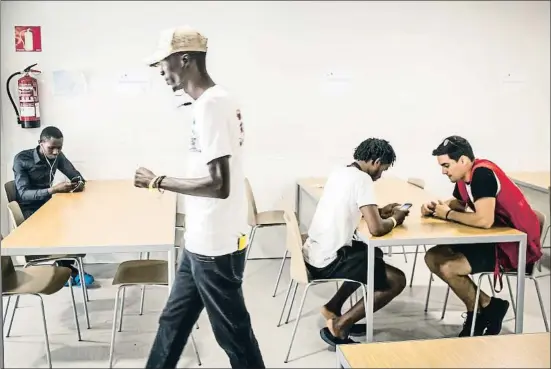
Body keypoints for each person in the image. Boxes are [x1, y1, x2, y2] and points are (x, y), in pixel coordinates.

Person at [135, 26, 264, 369]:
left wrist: (157, 182)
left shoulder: (212, 105)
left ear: (185, 58)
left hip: (215, 245)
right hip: (201, 240)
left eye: (164, 64)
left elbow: (219, 184)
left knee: (234, 336)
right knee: (172, 324)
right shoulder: (213, 102)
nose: (162, 73)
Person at [423, 135, 542, 337]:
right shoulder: (464, 176)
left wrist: (448, 214)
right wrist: (437, 207)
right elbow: (459, 202)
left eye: (446, 165)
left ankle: (478, 314)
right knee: (432, 257)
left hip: (515, 246)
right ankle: (487, 306)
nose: (443, 171)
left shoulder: (482, 175)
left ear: (463, 160)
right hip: (495, 238)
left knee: (448, 267)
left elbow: (484, 220)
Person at [302, 138, 408, 347]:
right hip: (328, 262)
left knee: (372, 255)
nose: (380, 175)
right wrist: (396, 218)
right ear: (376, 162)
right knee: (396, 280)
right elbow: (376, 229)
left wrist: (378, 212)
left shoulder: (340, 171)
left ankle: (333, 307)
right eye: (383, 169)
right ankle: (340, 326)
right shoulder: (363, 179)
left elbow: (347, 206)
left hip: (314, 253)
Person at [12, 126, 93, 287]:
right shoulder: (22, 159)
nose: (56, 152)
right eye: (51, 148)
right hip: (29, 210)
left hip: (48, 204)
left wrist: (78, 184)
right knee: (60, 228)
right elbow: (23, 194)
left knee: (79, 221)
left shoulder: (57, 157)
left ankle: (67, 268)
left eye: (59, 148)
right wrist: (52, 190)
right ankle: (68, 270)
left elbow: (76, 176)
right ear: (40, 143)